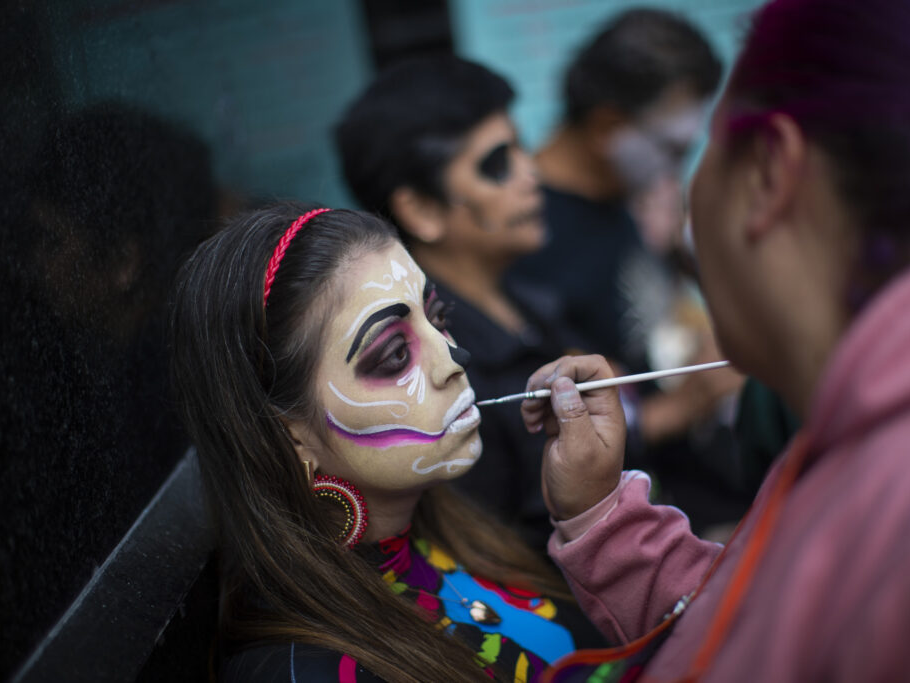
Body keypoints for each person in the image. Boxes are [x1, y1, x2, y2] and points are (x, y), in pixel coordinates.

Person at [519, 0, 910, 680]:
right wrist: (605, 520)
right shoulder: (864, 437)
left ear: (769, 173)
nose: (683, 186)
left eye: (703, 150)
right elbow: (755, 627)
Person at [169, 204, 597, 682]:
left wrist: (593, 512)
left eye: (437, 316)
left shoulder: (451, 525)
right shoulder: (304, 672)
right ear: (289, 433)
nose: (454, 358)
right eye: (394, 354)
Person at [335, 55, 591, 551]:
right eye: (497, 164)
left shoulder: (527, 300)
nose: (530, 173)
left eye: (522, 148)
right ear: (423, 210)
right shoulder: (444, 371)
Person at [510, 8, 748, 533]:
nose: (680, 166)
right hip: (647, 517)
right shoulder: (526, 238)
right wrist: (692, 399)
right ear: (608, 127)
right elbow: (557, 427)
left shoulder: (624, 198)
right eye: (672, 148)